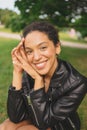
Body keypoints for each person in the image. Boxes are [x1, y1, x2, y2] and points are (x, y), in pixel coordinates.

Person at [0, 21, 87, 130]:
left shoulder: (77, 83)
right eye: (29, 51)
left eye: (43, 48)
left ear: (57, 47)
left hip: (60, 125)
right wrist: (17, 72)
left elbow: (44, 123)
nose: (36, 57)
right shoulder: (29, 74)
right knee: (4, 127)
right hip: (36, 115)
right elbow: (15, 117)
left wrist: (38, 80)